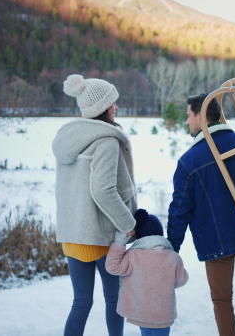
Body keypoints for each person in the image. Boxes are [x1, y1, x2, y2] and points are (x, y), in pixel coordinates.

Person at [167, 93, 235, 336]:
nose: (188, 122)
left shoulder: (189, 161)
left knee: (222, 299)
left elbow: (180, 210)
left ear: (201, 116)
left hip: (216, 239)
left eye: (189, 116)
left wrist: (172, 247)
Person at [52, 74, 137, 336]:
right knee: (114, 300)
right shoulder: (106, 140)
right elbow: (103, 190)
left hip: (73, 235)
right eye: (113, 103)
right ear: (103, 107)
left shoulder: (68, 138)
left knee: (81, 302)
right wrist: (129, 224)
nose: (117, 108)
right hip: (100, 236)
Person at [106, 209, 189, 336]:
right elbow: (181, 281)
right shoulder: (172, 257)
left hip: (140, 314)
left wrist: (119, 242)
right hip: (163, 317)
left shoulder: (132, 255)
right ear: (160, 233)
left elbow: (112, 267)